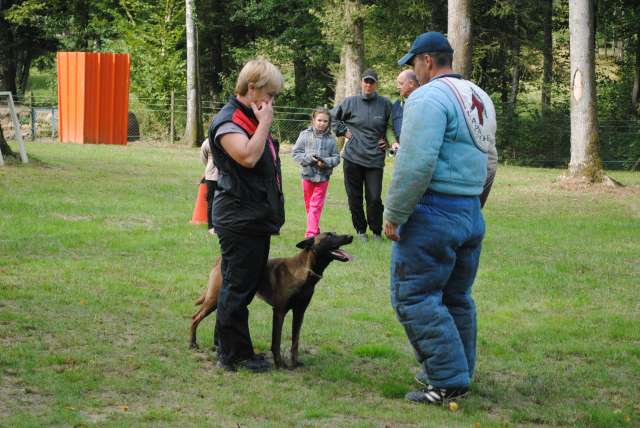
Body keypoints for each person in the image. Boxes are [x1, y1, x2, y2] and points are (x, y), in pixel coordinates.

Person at [383, 32, 498, 404]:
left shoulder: (427, 98)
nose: (413, 72)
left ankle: (447, 381)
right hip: (468, 212)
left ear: (427, 61)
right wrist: (473, 205)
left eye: (413, 64)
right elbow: (491, 161)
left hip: (432, 212)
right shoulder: (480, 97)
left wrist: (394, 214)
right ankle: (459, 369)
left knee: (414, 296)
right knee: (456, 297)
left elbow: (415, 163)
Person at [207, 59, 285, 373]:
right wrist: (265, 122)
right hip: (238, 218)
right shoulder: (228, 121)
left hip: (252, 216)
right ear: (251, 89)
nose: (272, 102)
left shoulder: (247, 116)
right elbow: (248, 157)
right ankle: (234, 355)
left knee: (240, 284)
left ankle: (223, 342)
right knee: (238, 288)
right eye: (270, 94)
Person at [331, 68, 395, 242]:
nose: (368, 84)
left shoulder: (385, 104)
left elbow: (392, 126)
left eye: (371, 82)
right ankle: (360, 231)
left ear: (376, 84)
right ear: (361, 82)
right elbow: (332, 117)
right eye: (366, 81)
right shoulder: (350, 102)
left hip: (375, 159)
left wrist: (388, 142)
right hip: (352, 158)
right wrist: (343, 131)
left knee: (374, 198)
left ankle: (376, 232)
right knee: (354, 197)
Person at [292, 107, 340, 238]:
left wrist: (326, 162)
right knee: (310, 205)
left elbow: (336, 158)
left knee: (315, 205)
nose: (322, 123)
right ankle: (315, 228)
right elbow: (296, 153)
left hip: (323, 177)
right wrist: (308, 159)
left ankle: (311, 234)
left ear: (328, 123)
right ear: (313, 120)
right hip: (307, 175)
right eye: (319, 120)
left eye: (325, 121)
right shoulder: (304, 135)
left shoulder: (331, 139)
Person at [388, 70, 419, 153]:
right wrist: (393, 142)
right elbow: (389, 127)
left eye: (401, 83)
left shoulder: (426, 102)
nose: (398, 87)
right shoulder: (396, 106)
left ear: (411, 83)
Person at [199, 138, 218, 235]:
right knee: (211, 201)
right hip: (212, 176)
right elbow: (204, 156)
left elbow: (204, 157)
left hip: (218, 175)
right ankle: (211, 226)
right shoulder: (208, 142)